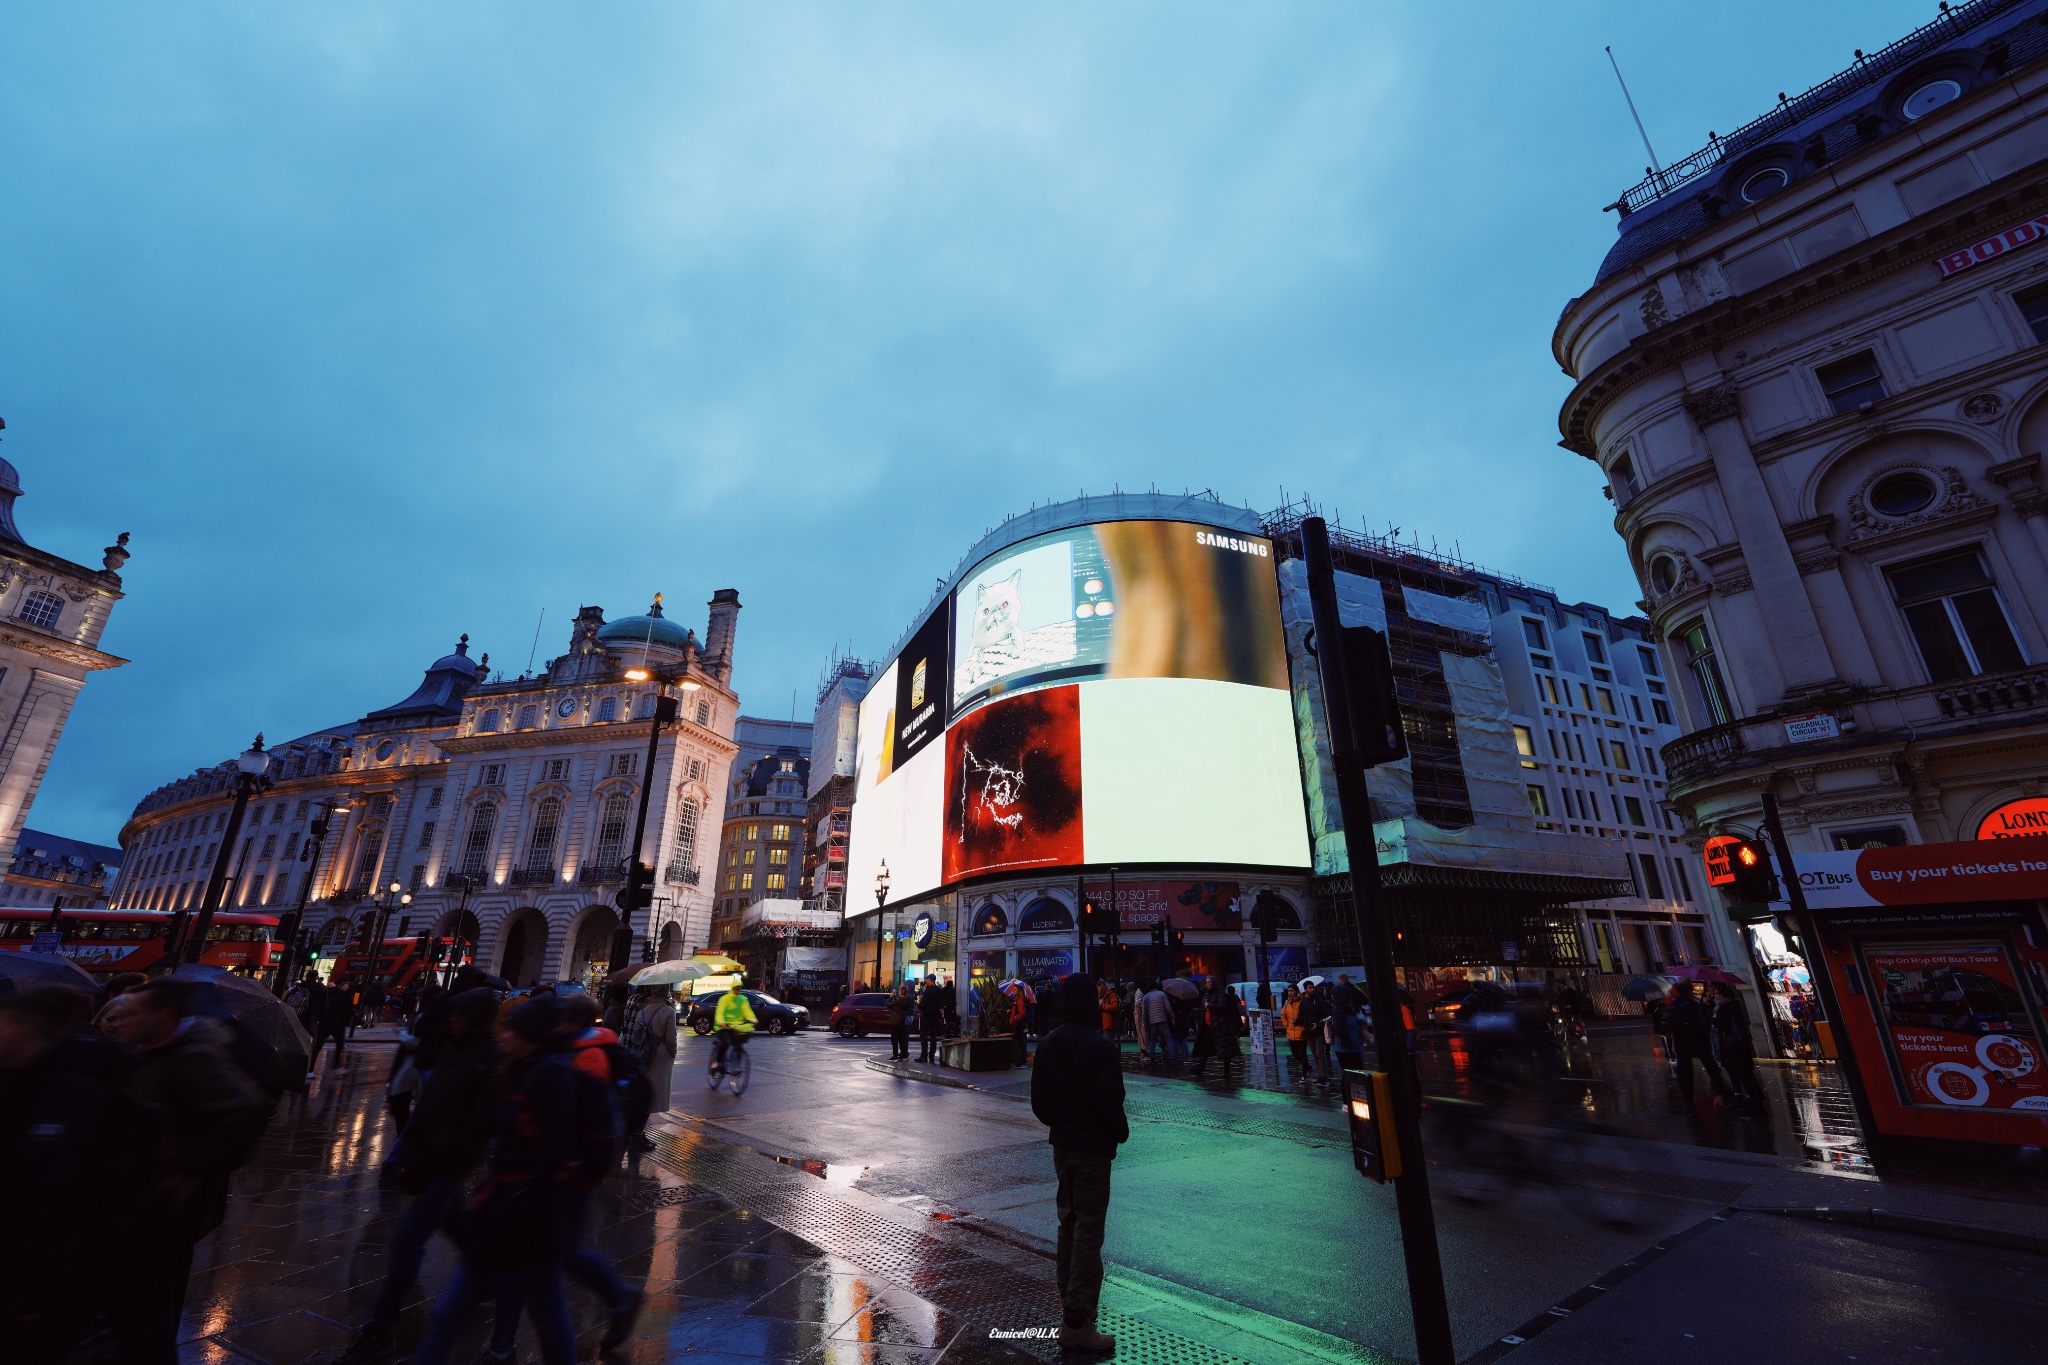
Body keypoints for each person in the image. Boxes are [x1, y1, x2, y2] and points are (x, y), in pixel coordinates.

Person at [407, 996, 615, 1365]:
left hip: (526, 1216)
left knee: (545, 1314)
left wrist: (523, 1199)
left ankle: (503, 1345)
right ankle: (501, 1345)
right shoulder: (519, 1068)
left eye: (514, 1029)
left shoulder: (551, 1075)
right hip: (504, 1211)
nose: (504, 1035)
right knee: (453, 1314)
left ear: (530, 1035)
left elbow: (552, 1152)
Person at [102, 979, 271, 1365]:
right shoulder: (158, 1049)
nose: (124, 1020)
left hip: (170, 1198)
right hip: (152, 1192)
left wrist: (189, 1171)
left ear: (162, 1017)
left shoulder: (191, 1056)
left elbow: (243, 1112)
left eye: (133, 1013)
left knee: (152, 1291)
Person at [335, 989, 502, 1365]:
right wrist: (411, 1152)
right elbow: (429, 1104)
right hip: (433, 1162)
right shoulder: (456, 1048)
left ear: (475, 1018)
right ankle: (488, 1271)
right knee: (457, 1224)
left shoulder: (489, 1059)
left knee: (409, 1240)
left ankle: (381, 1328)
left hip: (447, 1165)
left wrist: (434, 1155)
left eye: (460, 1015)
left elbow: (481, 1123)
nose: (452, 1020)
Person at [0, 986, 134, 1365]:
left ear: (21, 1030)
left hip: (36, 1281)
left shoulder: (68, 1093)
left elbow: (45, 1195)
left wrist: (30, 1291)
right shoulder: (28, 1076)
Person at [1029, 974, 1126, 1356]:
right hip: (1093, 1149)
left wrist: (1061, 1122)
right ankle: (1077, 1320)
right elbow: (1110, 1103)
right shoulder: (1101, 1047)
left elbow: (1039, 1102)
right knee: (1088, 1227)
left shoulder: (1050, 1043)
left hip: (1063, 1144)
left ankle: (1069, 1300)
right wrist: (1119, 1132)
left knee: (1068, 1221)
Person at [621, 985, 676, 1151]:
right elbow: (671, 1039)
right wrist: (672, 1054)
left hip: (643, 1055)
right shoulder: (668, 1011)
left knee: (643, 1095)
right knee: (652, 1097)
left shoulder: (642, 1011)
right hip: (660, 1056)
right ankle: (637, 1135)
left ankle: (635, 1133)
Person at [1665, 980, 1728, 1103]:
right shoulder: (1690, 1004)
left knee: (1685, 1068)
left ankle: (1687, 1093)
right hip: (1696, 1040)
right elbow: (1697, 1023)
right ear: (1689, 991)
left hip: (1681, 1041)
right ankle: (1721, 1088)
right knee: (1709, 1064)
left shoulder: (1675, 1004)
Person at [1713, 983, 1767, 1112]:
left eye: (1715, 993)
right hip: (1733, 1045)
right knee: (1738, 1072)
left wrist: (1714, 1019)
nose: (1714, 995)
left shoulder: (1725, 1007)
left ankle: (1753, 1101)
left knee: (1743, 1073)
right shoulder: (1730, 1005)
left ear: (1721, 995)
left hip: (1733, 1045)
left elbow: (1723, 1026)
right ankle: (1744, 1098)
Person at [711, 978, 756, 1076]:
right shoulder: (724, 999)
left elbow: (747, 1011)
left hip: (736, 1027)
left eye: (738, 989)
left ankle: (736, 1066)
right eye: (735, 989)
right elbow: (720, 1012)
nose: (737, 991)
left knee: (738, 1045)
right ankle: (717, 1062)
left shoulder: (742, 999)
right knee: (725, 1043)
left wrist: (753, 1019)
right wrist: (721, 1022)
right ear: (732, 989)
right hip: (724, 1026)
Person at [313, 976, 354, 1071]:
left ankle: (336, 1066)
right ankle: (310, 1067)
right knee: (318, 1046)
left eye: (347, 984)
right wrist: (341, 992)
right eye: (344, 984)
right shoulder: (331, 992)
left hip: (339, 1024)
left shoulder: (347, 993)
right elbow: (331, 1003)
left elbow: (348, 1006)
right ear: (339, 984)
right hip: (327, 1023)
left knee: (340, 1045)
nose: (346, 986)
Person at [1297, 981, 1333, 1084]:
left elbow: (1326, 1016)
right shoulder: (1303, 1002)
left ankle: (1323, 1076)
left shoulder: (1319, 1001)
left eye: (1313, 987)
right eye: (1309, 988)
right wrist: (1297, 1021)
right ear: (1305, 989)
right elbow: (1301, 1015)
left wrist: (1318, 1023)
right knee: (1316, 1054)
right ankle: (1322, 1076)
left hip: (1318, 1031)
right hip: (1309, 1031)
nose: (1312, 989)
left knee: (1319, 1053)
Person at [917, 977, 949, 1063]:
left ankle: (924, 1056)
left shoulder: (928, 990)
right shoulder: (939, 989)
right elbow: (942, 1001)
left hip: (927, 1014)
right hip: (935, 1015)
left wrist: (919, 1005)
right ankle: (932, 1055)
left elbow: (922, 1003)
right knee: (933, 1036)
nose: (926, 981)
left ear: (930, 980)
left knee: (923, 1035)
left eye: (927, 979)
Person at [1280, 985, 1307, 1078]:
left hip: (1300, 1031)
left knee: (1302, 1054)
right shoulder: (1287, 1002)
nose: (1290, 993)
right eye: (1288, 991)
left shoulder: (1301, 1002)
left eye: (1291, 991)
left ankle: (1305, 1073)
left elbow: (1305, 1015)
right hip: (1291, 1032)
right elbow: (1283, 1014)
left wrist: (1303, 1027)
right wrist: (1286, 1025)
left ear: (1296, 991)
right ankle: (1307, 1068)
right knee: (1295, 1053)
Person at [886, 983, 916, 1061]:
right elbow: (898, 1004)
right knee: (902, 1039)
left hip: (895, 1022)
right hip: (902, 1021)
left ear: (900, 992)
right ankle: (904, 1055)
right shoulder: (907, 1001)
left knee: (895, 1040)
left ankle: (895, 1056)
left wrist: (891, 997)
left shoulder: (898, 1002)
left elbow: (888, 1005)